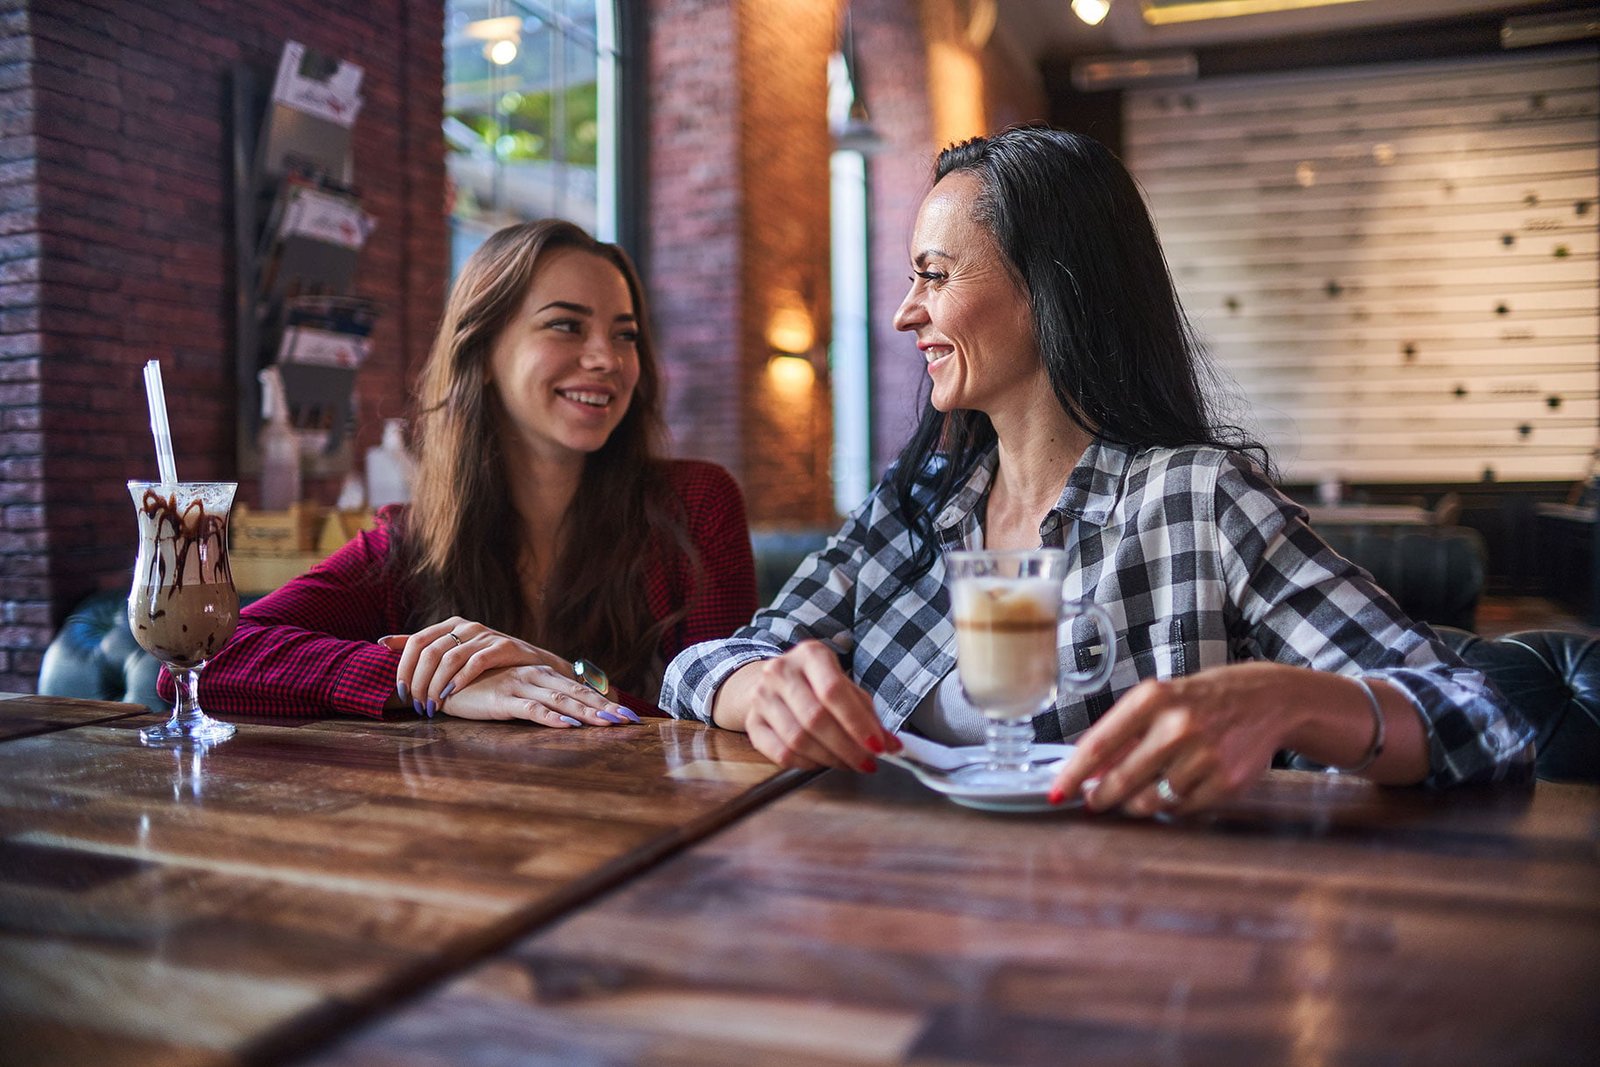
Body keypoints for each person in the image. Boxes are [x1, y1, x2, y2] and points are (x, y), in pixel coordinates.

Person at [661, 127, 1534, 814]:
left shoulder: (1194, 500)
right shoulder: (914, 507)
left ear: (1051, 288)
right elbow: (698, 667)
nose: (903, 313)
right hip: (901, 919)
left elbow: (1485, 720)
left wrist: (1289, 700)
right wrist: (759, 688)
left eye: (934, 274)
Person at [171, 219, 756, 725]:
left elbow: (717, 721)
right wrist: (439, 682)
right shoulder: (408, 543)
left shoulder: (695, 505)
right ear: (481, 356)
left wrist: (564, 680)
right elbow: (199, 665)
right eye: (566, 325)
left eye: (625, 334)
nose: (608, 358)